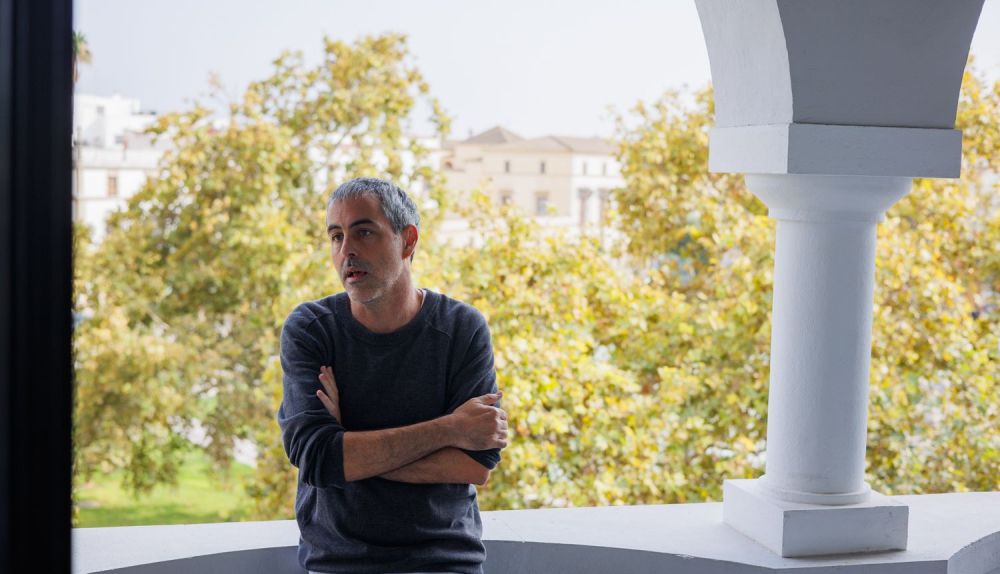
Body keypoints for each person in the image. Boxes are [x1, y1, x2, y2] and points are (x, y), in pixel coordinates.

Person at [277, 177, 509, 574]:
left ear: (408, 241)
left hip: (446, 561)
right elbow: (315, 457)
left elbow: (476, 466)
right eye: (336, 236)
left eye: (363, 232)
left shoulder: (461, 328)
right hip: (338, 563)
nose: (346, 250)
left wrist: (346, 443)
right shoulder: (312, 328)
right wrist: (450, 429)